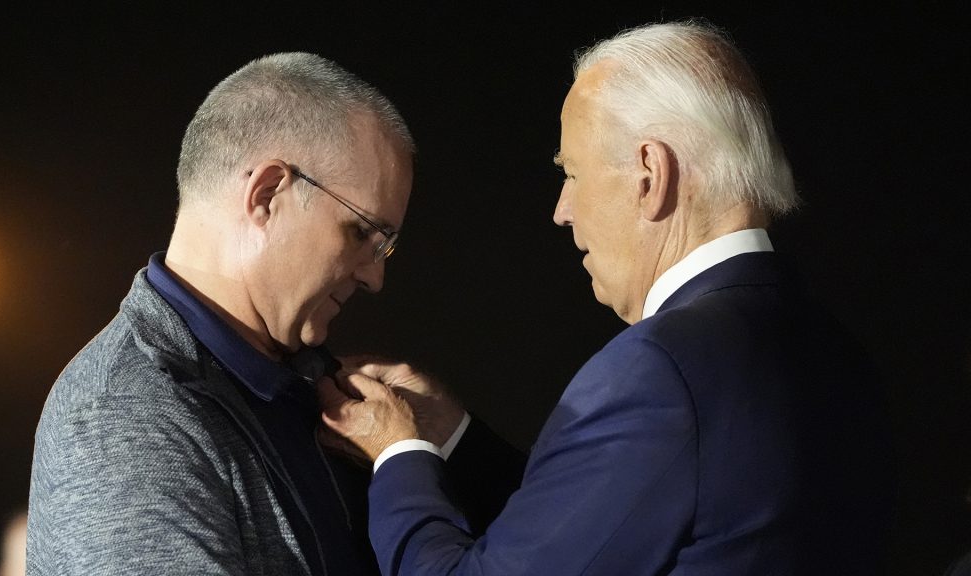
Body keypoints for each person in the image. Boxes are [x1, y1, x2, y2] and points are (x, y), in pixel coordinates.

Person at [320, 20, 894, 575]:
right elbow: (610, 526)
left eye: (572, 172)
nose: (561, 211)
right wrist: (452, 437)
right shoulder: (840, 354)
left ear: (650, 174)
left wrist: (398, 454)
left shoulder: (660, 372)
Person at [27, 52, 424, 575]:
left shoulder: (309, 389)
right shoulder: (123, 413)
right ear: (266, 194)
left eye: (384, 248)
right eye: (360, 233)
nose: (374, 277)